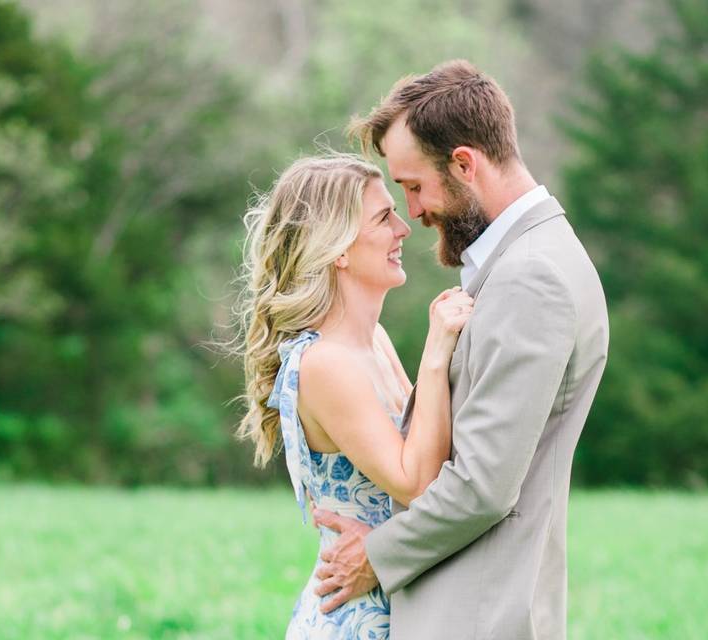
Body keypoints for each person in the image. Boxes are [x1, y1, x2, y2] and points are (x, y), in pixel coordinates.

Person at [310, 60, 610, 640]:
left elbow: (483, 484)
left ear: (465, 164)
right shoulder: (535, 258)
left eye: (414, 186)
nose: (413, 212)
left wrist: (374, 554)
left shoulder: (531, 277)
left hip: (476, 614)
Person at [235, 153, 474, 639]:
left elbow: (432, 447)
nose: (404, 229)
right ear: (339, 248)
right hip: (354, 622)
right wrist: (435, 352)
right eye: (384, 217)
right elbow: (415, 482)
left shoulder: (374, 340)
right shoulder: (325, 364)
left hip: (396, 605)